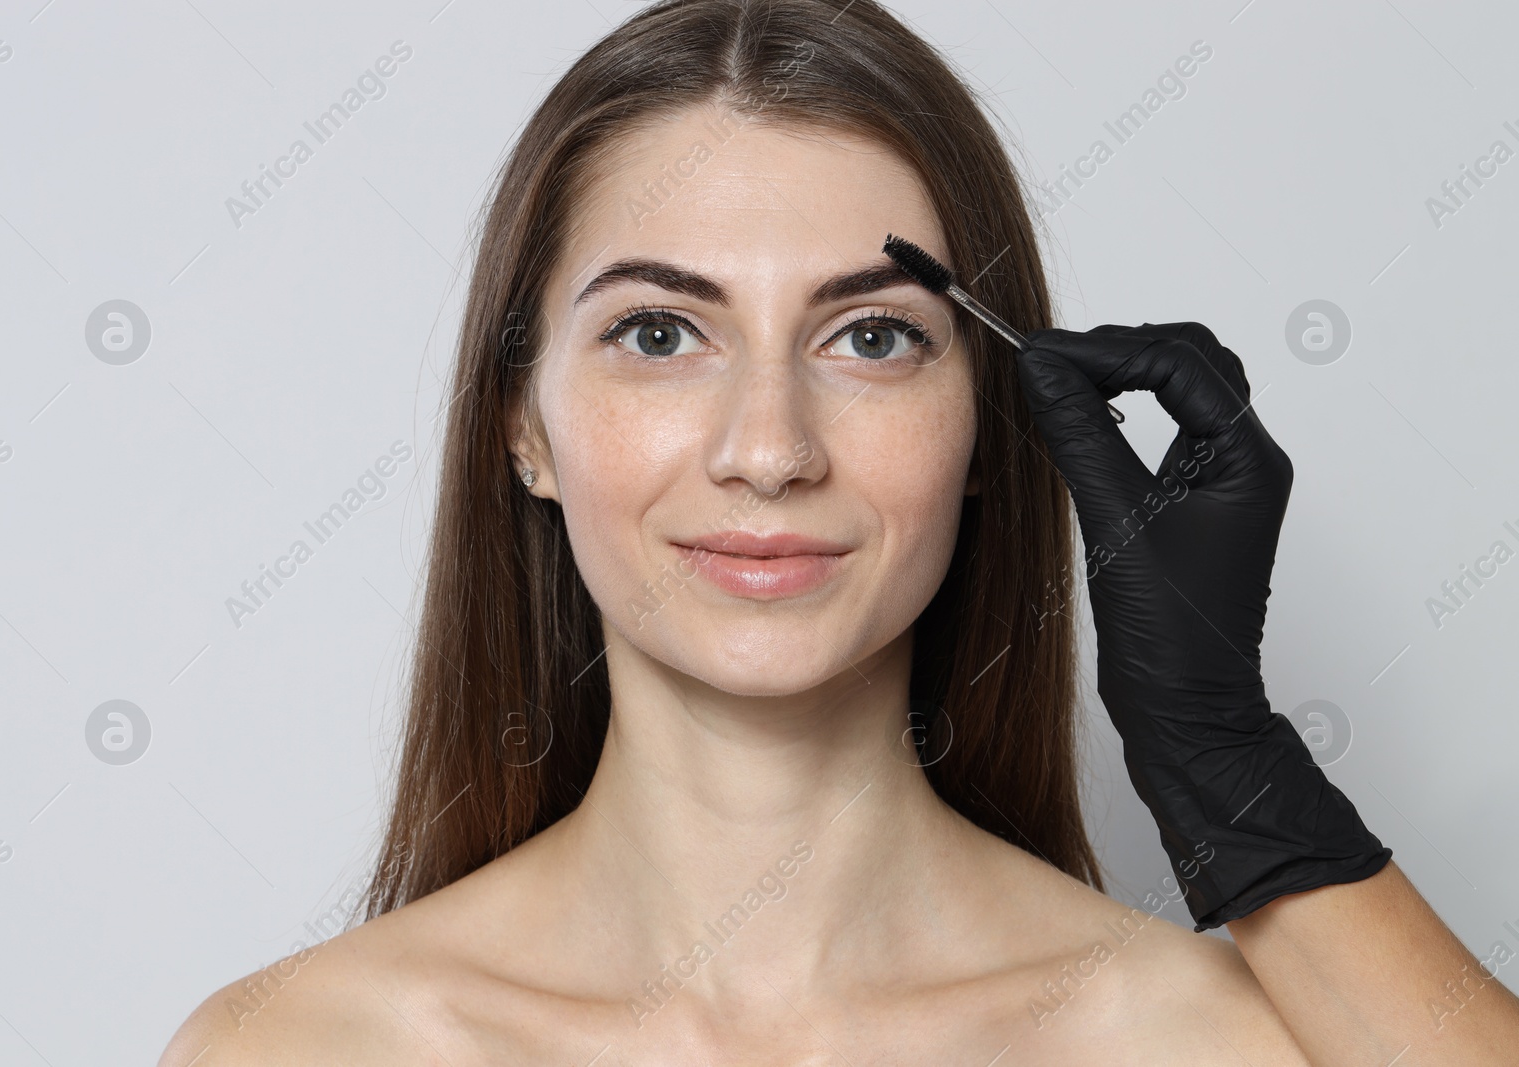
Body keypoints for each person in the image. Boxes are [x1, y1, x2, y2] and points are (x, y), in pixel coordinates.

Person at [161, 2, 1519, 1063]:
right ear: (523, 426)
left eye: (872, 338)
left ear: (992, 423)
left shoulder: (1238, 1046)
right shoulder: (294, 1051)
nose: (770, 450)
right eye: (659, 333)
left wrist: (1228, 765)